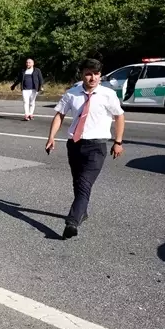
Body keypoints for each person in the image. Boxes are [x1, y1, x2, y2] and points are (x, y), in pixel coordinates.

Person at [45, 58, 126, 240]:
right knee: (78, 182)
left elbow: (119, 117)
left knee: (84, 183)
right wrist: (51, 137)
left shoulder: (108, 94)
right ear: (81, 74)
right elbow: (60, 115)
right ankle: (83, 212)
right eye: (89, 73)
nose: (93, 78)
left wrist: (118, 142)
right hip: (74, 144)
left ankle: (72, 221)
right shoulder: (72, 94)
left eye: (96, 74)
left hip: (96, 146)